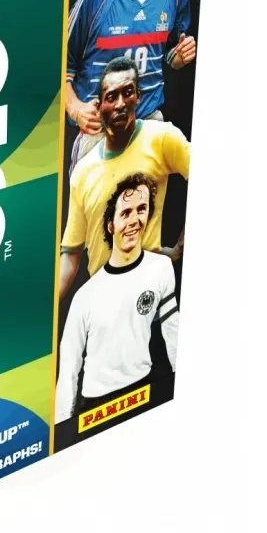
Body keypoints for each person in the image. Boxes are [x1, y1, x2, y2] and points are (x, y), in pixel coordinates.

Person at [63, 0, 197, 171]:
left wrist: (179, 56)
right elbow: (59, 68)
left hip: (149, 125)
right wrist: (76, 109)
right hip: (100, 133)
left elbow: (168, 54)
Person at [58, 57, 189, 300]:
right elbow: (71, 255)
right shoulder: (83, 172)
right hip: (101, 302)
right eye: (111, 97)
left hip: (147, 299)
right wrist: (45, 309)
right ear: (99, 106)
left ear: (138, 96)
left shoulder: (161, 138)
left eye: (127, 93)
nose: (120, 104)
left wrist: (183, 243)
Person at [54, 174, 179, 425]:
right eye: (126, 213)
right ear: (111, 225)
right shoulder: (84, 297)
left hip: (144, 387)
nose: (134, 220)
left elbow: (173, 334)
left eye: (141, 209)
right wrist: (63, 427)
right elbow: (68, 371)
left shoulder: (161, 268)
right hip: (96, 405)